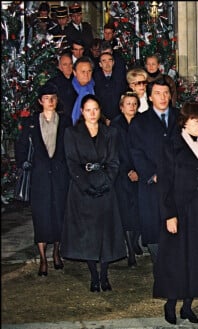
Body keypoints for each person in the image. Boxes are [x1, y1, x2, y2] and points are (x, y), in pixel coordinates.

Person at [153, 102, 198, 325]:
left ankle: (187, 305)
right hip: (180, 211)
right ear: (184, 122)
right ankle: (171, 303)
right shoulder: (171, 146)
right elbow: (164, 183)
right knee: (177, 260)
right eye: (195, 121)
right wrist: (169, 214)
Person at [60, 94, 126, 292]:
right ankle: (93, 275)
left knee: (106, 233)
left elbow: (114, 161)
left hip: (106, 187)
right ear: (82, 112)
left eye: (95, 109)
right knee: (87, 234)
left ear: (100, 111)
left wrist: (107, 182)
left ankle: (104, 275)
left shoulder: (110, 133)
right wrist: (85, 185)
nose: (92, 113)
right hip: (82, 189)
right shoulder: (72, 133)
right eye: (88, 110)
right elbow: (71, 163)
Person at [14, 83, 72, 276]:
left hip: (59, 176)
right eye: (46, 99)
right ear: (40, 101)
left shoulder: (64, 121)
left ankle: (56, 252)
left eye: (53, 98)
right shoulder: (31, 123)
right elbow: (21, 147)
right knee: (41, 217)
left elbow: (69, 148)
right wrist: (24, 163)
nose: (50, 102)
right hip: (39, 177)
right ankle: (42, 258)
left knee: (58, 214)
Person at [128, 77, 178, 266]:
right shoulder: (139, 123)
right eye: (157, 93)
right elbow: (136, 152)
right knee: (155, 229)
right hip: (153, 185)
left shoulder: (179, 118)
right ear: (149, 97)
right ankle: (161, 271)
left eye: (166, 93)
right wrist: (153, 174)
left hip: (176, 184)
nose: (163, 97)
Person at [110, 92, 143, 267]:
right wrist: (128, 170)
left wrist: (139, 170)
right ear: (121, 107)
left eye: (134, 104)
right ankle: (129, 248)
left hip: (140, 173)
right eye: (128, 104)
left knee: (139, 210)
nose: (131, 107)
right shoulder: (115, 126)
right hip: (122, 175)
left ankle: (136, 239)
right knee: (125, 211)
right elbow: (115, 152)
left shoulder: (142, 123)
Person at [93, 50, 129, 124]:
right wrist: (103, 118)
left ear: (113, 63)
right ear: (100, 64)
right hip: (101, 119)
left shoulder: (121, 78)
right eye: (104, 61)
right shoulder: (95, 80)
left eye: (110, 61)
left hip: (119, 117)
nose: (107, 64)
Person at [47, 52, 77, 119]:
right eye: (65, 64)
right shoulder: (53, 83)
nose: (68, 67)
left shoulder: (79, 80)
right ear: (60, 67)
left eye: (70, 64)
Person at [71, 57, 95, 125]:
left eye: (89, 71)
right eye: (83, 71)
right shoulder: (66, 90)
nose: (86, 75)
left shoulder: (97, 87)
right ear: (74, 72)